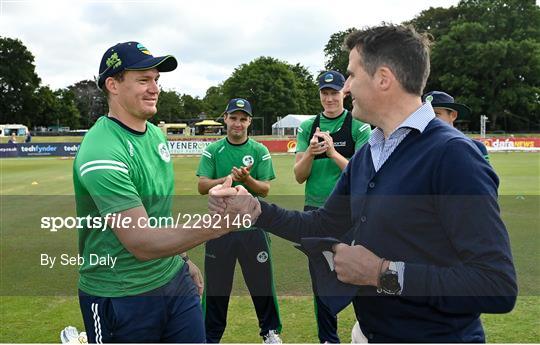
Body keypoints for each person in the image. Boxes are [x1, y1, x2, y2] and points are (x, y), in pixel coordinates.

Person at [209, 25, 517, 343]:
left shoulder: (453, 155)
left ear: (383, 78)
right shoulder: (370, 152)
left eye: (352, 76)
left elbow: (496, 285)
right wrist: (255, 209)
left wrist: (382, 273)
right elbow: (322, 223)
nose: (345, 89)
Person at [73, 41, 236, 343]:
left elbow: (157, 217)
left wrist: (183, 261)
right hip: (121, 295)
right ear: (113, 85)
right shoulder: (101, 150)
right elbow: (141, 241)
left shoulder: (155, 135)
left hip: (173, 281)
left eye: (157, 79)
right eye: (143, 80)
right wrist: (216, 226)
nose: (155, 88)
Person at [196, 98, 282, 344]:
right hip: (219, 229)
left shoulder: (259, 150)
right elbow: (202, 186)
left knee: (262, 283)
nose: (238, 123)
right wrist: (228, 178)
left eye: (243, 119)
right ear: (225, 118)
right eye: (233, 118)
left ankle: (270, 333)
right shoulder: (213, 150)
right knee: (217, 288)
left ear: (249, 122)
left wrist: (246, 179)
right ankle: (210, 337)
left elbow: (264, 189)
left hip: (253, 228)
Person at [294, 70, 370, 343]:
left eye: (334, 92)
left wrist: (332, 152)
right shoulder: (308, 127)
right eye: (324, 93)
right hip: (315, 210)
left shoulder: (358, 126)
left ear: (344, 93)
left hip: (350, 212)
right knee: (321, 279)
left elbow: (361, 173)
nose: (329, 98)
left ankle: (366, 332)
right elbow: (299, 175)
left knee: (361, 273)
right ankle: (328, 338)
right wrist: (311, 155)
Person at [423, 90, 490, 162]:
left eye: (436, 114)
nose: (429, 118)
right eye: (425, 114)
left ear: (453, 115)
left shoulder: (476, 147)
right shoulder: (416, 147)